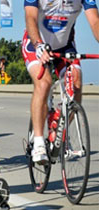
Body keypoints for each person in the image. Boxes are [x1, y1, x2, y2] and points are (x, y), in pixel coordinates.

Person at [22, 0, 99, 164]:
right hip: (35, 44)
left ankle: (58, 126)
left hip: (65, 47)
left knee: (76, 86)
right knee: (44, 83)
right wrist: (39, 45)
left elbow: (95, 22)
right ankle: (38, 142)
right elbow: (30, 17)